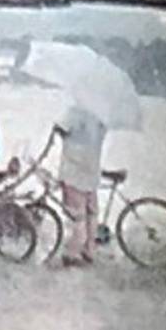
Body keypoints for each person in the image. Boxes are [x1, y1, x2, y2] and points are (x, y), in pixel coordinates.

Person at [53, 106, 107, 267]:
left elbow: (60, 128)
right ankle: (89, 250)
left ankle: (72, 253)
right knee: (92, 213)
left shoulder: (76, 111)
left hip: (73, 170)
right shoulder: (102, 116)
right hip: (92, 170)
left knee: (77, 216)